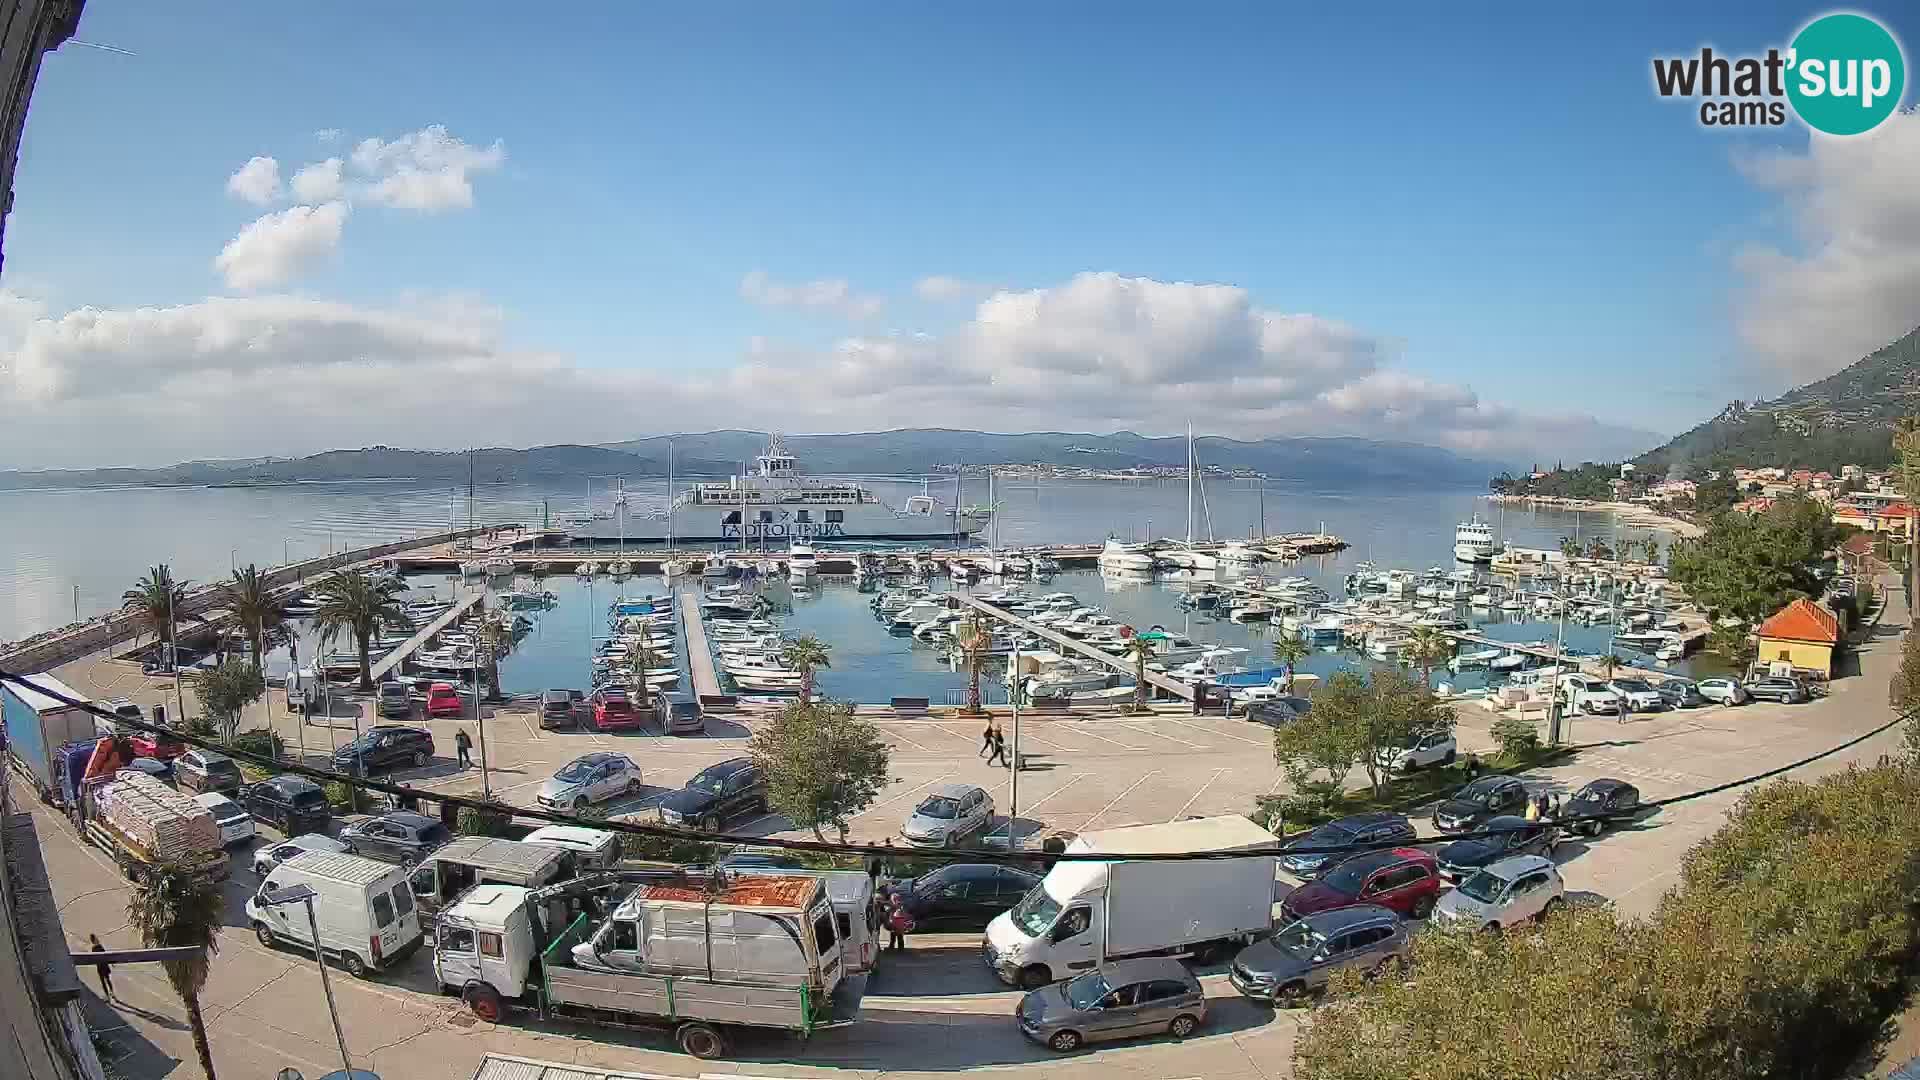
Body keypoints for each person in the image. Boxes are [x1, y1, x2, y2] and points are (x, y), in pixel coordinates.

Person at [88, 934, 112, 1003]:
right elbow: (105, 955)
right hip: (104, 965)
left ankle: (108, 996)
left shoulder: (94, 948)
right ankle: (112, 992)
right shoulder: (100, 946)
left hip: (100, 967)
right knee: (107, 979)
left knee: (103, 982)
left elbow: (94, 958)